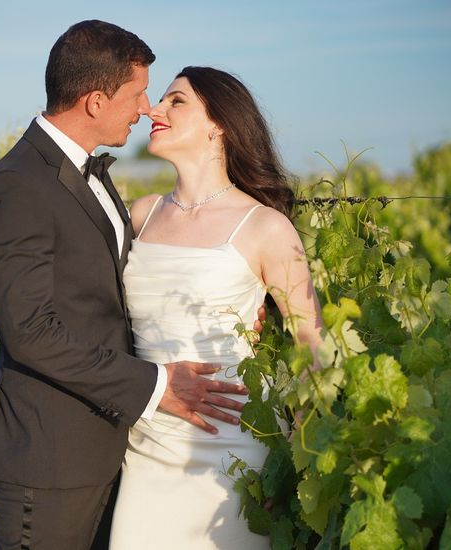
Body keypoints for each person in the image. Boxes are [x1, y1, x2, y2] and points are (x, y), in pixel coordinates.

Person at [0, 23, 256, 549]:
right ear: (95, 101)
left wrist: (233, 302)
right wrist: (156, 385)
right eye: (137, 93)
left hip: (114, 447)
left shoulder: (89, 173)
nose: (147, 107)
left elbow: (116, 294)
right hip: (49, 458)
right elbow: (31, 332)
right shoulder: (17, 187)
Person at [108, 66, 324, 549]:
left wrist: (291, 464)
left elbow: (313, 344)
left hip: (232, 444)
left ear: (219, 124)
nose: (154, 110)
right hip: (146, 443)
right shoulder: (139, 216)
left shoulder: (264, 227)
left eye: (175, 101)